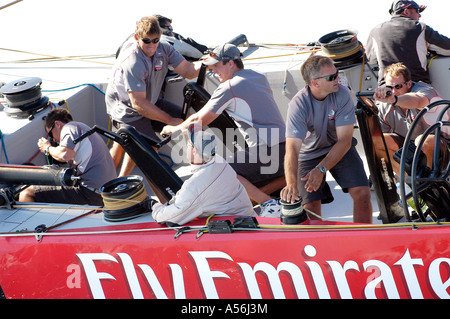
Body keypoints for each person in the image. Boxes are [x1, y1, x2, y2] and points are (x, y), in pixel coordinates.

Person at [161, 43, 287, 214]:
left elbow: (198, 120)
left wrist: (173, 129)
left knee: (222, 170)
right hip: (286, 148)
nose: (213, 70)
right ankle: (266, 198)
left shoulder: (229, 87)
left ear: (231, 63)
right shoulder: (258, 77)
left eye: (216, 65)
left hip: (267, 150)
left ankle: (269, 203)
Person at [105, 16, 202, 179]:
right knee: (149, 150)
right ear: (137, 37)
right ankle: (111, 183)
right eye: (147, 41)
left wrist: (209, 62)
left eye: (155, 40)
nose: (151, 46)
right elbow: (138, 104)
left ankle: (200, 171)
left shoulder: (164, 48)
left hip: (150, 101)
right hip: (127, 110)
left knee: (191, 121)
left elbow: (188, 70)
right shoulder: (133, 61)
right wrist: (169, 120)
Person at [281, 55, 372, 224]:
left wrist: (321, 169)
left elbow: (345, 141)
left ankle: (363, 240)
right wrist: (291, 183)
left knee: (363, 193)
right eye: (332, 77)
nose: (338, 79)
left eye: (337, 73)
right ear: (315, 83)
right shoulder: (298, 105)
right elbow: (292, 149)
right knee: (310, 207)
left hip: (339, 149)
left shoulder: (342, 94)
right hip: (308, 156)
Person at [151, 124, 253, 225]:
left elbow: (170, 218)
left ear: (194, 151)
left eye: (188, 143)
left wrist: (154, 206)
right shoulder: (219, 161)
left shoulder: (196, 185)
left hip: (235, 228)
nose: (186, 145)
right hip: (246, 215)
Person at [19, 108, 117, 206]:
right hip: (104, 192)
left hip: (90, 192)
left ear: (57, 124)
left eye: (50, 133)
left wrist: (47, 148)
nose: (54, 139)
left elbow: (64, 155)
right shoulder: (83, 129)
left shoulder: (70, 127)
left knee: (27, 193)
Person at [373, 62, 448, 173]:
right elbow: (382, 135)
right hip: (410, 152)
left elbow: (418, 100)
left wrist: (395, 101)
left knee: (423, 140)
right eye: (389, 87)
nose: (393, 92)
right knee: (378, 140)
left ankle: (428, 183)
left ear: (409, 84)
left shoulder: (425, 91)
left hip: (442, 150)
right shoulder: (385, 104)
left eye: (398, 86)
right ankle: (410, 182)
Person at [366, 0, 450, 85]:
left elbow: (371, 60)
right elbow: (447, 48)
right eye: (417, 11)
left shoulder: (375, 31)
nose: (419, 15)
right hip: (415, 86)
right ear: (406, 11)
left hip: (387, 89)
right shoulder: (420, 27)